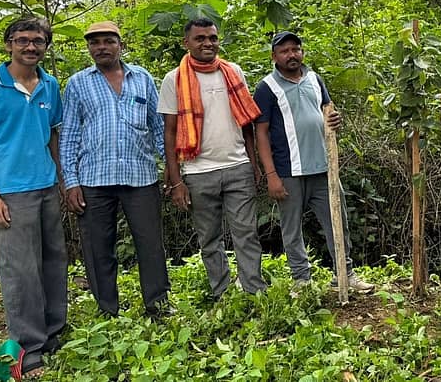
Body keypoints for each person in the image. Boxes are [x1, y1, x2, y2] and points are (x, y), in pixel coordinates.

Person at [0, 17, 66, 378]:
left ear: (45, 46)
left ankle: (54, 332)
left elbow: (52, 137)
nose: (30, 47)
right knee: (20, 271)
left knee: (53, 261)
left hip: (47, 186)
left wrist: (63, 181)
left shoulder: (50, 85)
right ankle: (29, 346)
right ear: (9, 44)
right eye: (22, 40)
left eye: (37, 41)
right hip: (10, 191)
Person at [60, 21, 171, 317]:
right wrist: (70, 182)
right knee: (98, 249)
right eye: (95, 43)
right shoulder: (78, 84)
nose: (102, 47)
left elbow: (158, 128)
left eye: (108, 41)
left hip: (141, 177)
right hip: (94, 180)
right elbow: (69, 135)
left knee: (150, 245)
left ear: (121, 45)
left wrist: (172, 171)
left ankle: (158, 306)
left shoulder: (143, 79)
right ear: (89, 49)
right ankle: (107, 310)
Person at [253, 31, 374, 293]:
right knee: (292, 229)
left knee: (336, 220)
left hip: (324, 168)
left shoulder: (314, 79)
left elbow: (327, 112)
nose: (291, 54)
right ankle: (302, 279)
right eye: (284, 51)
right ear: (274, 56)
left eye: (296, 49)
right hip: (288, 170)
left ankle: (345, 273)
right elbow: (260, 133)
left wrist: (334, 121)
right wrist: (270, 174)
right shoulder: (266, 88)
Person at [158, 18, 267, 299]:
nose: (208, 43)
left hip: (237, 165)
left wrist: (253, 164)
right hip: (197, 172)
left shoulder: (233, 72)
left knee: (247, 233)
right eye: (200, 39)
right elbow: (169, 133)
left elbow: (247, 123)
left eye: (213, 38)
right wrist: (176, 180)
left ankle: (254, 291)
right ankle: (222, 293)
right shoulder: (174, 80)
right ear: (187, 43)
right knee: (209, 239)